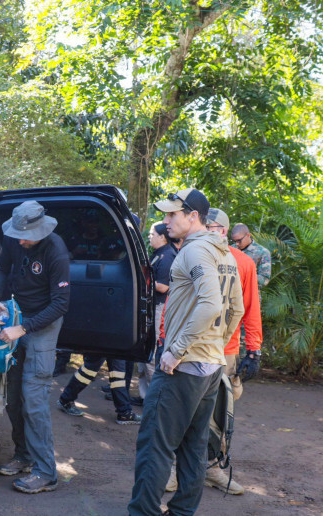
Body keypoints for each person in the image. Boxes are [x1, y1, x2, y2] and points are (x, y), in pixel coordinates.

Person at [128, 188, 244, 516]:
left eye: (172, 214)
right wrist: (215, 346)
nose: (165, 221)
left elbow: (211, 304)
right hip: (209, 365)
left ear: (193, 216)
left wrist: (176, 350)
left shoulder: (195, 251)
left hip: (184, 364)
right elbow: (236, 308)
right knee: (194, 446)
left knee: (155, 444)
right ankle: (181, 512)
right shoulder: (224, 252)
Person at [0, 200, 70, 494]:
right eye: (17, 235)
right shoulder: (15, 239)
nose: (20, 241)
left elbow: (60, 305)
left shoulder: (55, 252)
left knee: (34, 398)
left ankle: (46, 472)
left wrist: (23, 328)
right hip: (16, 318)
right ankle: (24, 455)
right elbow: (1, 268)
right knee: (13, 396)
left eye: (26, 237)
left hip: (43, 325)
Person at [202, 208, 262, 495]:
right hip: (193, 348)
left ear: (223, 231)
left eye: (211, 227)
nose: (206, 231)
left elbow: (250, 308)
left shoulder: (244, 263)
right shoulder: (192, 254)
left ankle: (212, 468)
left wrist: (254, 350)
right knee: (183, 410)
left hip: (226, 350)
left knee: (220, 414)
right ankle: (175, 468)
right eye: (204, 226)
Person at [139, 223, 176, 399]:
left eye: (152, 234)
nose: (150, 237)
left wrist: (140, 280)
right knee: (143, 351)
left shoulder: (168, 256)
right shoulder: (158, 253)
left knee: (151, 350)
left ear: (162, 237)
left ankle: (155, 397)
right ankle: (145, 395)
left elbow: (163, 286)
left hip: (159, 308)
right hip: (150, 307)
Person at [57, 355, 142, 424]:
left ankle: (124, 412)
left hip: (114, 342)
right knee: (90, 370)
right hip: (109, 341)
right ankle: (65, 399)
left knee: (117, 375)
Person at [231, 223, 272, 288]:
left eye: (239, 240)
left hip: (250, 292)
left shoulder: (263, 252)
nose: (237, 244)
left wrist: (245, 276)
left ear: (248, 235)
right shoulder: (230, 250)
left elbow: (265, 280)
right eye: (234, 241)